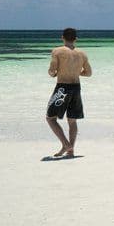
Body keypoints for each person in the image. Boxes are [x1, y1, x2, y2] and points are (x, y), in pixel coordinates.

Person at [45, 27, 92, 157]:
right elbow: (88, 73)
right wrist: (76, 72)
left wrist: (54, 74)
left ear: (62, 37)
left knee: (50, 118)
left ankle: (66, 144)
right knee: (72, 120)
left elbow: (52, 70)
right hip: (76, 87)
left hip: (62, 88)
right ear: (76, 39)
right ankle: (70, 151)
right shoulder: (82, 54)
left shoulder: (57, 51)